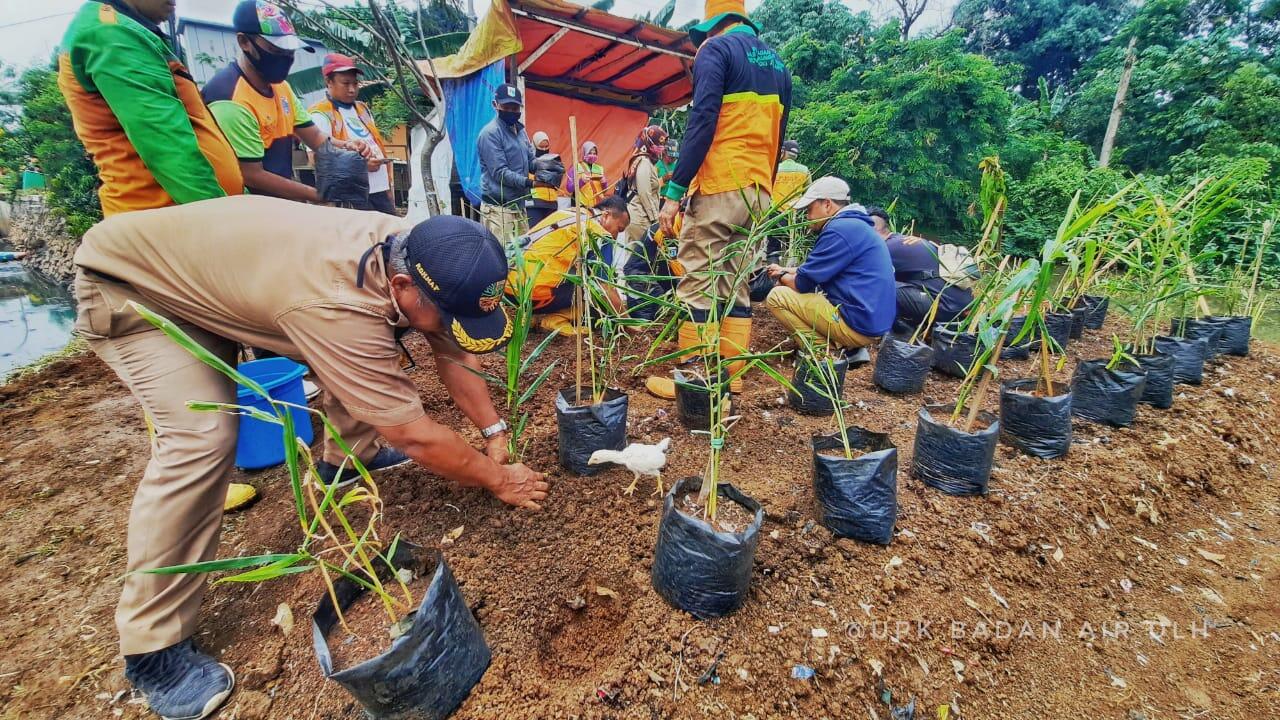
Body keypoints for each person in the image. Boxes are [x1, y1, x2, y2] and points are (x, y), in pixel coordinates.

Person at [73, 195, 548, 720]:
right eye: (444, 311)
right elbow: (414, 435)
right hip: (137, 290)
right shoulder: (335, 302)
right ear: (401, 286)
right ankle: (152, 647)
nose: (447, 322)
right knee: (201, 437)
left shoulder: (425, 250)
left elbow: (451, 346)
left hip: (237, 280)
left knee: (368, 350)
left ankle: (345, 461)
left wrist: (493, 428)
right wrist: (496, 479)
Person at [646, 0, 792, 399]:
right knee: (735, 283)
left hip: (720, 183)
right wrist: (766, 192)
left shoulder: (716, 50)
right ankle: (731, 375)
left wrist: (675, 190)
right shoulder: (779, 65)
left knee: (698, 279)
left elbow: (703, 119)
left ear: (714, 26)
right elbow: (779, 139)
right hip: (759, 189)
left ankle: (694, 383)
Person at [57, 0, 244, 216]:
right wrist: (226, 219)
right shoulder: (112, 35)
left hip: (177, 216)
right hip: (162, 220)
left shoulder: (125, 30)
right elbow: (169, 149)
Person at [203, 1, 372, 203]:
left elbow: (315, 137)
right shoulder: (230, 100)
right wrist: (318, 195)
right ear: (245, 42)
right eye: (277, 50)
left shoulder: (280, 87)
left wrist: (347, 146)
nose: (286, 59)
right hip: (245, 208)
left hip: (278, 204)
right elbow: (251, 174)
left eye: (290, 51)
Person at [765, 177, 896, 356]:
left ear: (827, 204)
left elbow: (802, 283)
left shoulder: (838, 230)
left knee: (778, 296)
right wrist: (786, 270)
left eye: (810, 209)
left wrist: (780, 276)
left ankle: (822, 353)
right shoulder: (854, 225)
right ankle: (845, 347)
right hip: (869, 321)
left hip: (857, 325)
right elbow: (816, 270)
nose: (807, 217)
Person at [508, 195, 631, 335]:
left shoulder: (568, 213)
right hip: (536, 294)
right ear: (606, 215)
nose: (616, 236)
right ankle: (555, 319)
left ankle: (531, 315)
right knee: (593, 290)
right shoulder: (599, 233)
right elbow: (604, 287)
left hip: (512, 289)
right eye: (619, 229)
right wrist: (627, 321)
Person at [308, 53, 396, 214]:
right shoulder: (319, 114)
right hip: (350, 195)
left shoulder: (362, 108)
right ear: (329, 82)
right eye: (345, 83)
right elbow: (316, 158)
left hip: (379, 190)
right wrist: (360, 166)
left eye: (355, 83)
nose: (352, 89)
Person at [867, 205, 974, 334]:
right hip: (960, 304)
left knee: (877, 285)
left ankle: (903, 335)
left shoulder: (887, 248)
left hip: (947, 308)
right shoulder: (902, 241)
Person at [478, 83, 535, 240]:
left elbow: (531, 160)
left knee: (523, 256)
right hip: (499, 209)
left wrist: (546, 168)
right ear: (495, 105)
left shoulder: (521, 132)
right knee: (504, 257)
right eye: (507, 106)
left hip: (519, 206)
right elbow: (500, 173)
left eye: (515, 108)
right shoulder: (490, 134)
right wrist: (531, 183)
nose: (511, 111)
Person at [620, 125, 669, 245]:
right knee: (644, 257)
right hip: (641, 216)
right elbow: (644, 193)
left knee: (631, 257)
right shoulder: (644, 162)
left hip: (636, 214)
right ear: (648, 142)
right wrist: (654, 219)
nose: (661, 148)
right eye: (658, 144)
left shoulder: (641, 159)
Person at [527, 130, 562, 227]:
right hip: (535, 203)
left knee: (550, 234)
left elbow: (557, 183)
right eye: (541, 147)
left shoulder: (553, 159)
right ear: (533, 146)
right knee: (535, 233)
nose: (544, 149)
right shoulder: (528, 161)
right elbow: (527, 180)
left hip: (552, 203)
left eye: (546, 147)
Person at [565, 141, 608, 209]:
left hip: (598, 206)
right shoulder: (575, 167)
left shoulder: (599, 168)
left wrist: (604, 183)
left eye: (594, 153)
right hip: (581, 205)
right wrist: (581, 181)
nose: (592, 156)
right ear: (584, 153)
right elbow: (569, 188)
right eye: (589, 153)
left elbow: (604, 190)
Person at [773, 139, 810, 207]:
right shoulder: (805, 170)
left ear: (782, 152)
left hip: (775, 212)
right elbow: (808, 193)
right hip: (795, 211)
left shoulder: (774, 169)